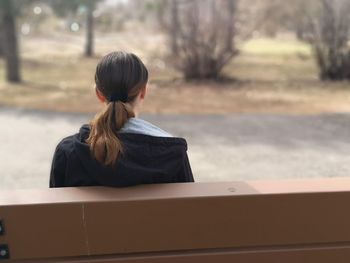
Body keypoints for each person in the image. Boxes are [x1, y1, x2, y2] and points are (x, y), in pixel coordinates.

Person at [50, 51, 194, 188]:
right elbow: (191, 210)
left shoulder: (68, 153)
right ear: (143, 92)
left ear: (99, 93)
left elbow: (54, 212)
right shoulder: (173, 154)